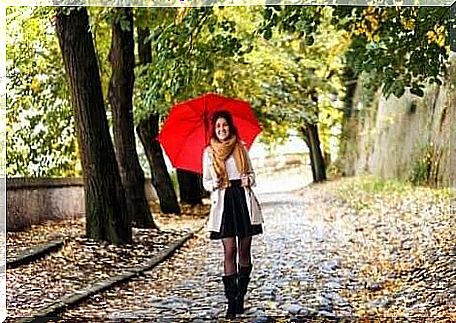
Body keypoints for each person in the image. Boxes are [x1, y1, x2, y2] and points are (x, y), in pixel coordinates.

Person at [202, 110, 263, 318]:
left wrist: (249, 180)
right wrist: (214, 184)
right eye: (218, 126)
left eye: (225, 125)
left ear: (230, 126)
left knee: (245, 250)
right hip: (224, 202)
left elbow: (253, 175)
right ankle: (231, 300)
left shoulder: (241, 147)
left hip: (242, 201)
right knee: (230, 250)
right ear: (214, 129)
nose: (221, 129)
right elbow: (206, 182)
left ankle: (241, 295)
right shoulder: (209, 153)